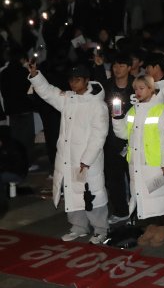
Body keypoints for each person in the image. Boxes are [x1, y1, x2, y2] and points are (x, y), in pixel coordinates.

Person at [29, 63, 109, 244]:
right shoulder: (69, 99)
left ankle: (100, 229)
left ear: (87, 81)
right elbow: (49, 92)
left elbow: (99, 135)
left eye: (77, 80)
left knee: (93, 193)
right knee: (72, 191)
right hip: (68, 158)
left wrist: (87, 160)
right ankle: (78, 227)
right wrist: (35, 76)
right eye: (71, 80)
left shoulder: (97, 105)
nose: (73, 83)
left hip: (88, 160)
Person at [112, 75, 164, 247]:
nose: (138, 92)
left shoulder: (161, 109)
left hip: (154, 164)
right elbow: (124, 134)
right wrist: (116, 118)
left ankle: (162, 228)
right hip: (137, 163)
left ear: (151, 89)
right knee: (143, 196)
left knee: (158, 196)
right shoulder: (133, 110)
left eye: (142, 88)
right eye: (136, 89)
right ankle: (150, 228)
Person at [103, 53, 135, 224]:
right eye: (115, 65)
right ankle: (121, 210)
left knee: (134, 177)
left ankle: (136, 213)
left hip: (132, 139)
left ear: (129, 68)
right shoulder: (107, 86)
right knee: (113, 176)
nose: (117, 69)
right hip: (111, 139)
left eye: (122, 65)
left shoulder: (137, 86)